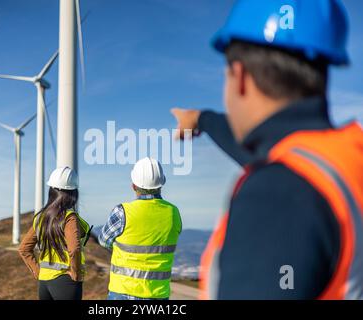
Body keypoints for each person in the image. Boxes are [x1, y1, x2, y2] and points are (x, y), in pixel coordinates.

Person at [172, 0, 363, 299]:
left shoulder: (276, 194)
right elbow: (268, 149)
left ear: (240, 76)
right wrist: (201, 120)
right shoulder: (345, 157)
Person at [98, 157, 182, 300]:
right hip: (158, 295)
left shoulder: (122, 212)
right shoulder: (173, 213)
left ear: (133, 185)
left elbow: (103, 241)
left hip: (123, 293)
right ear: (162, 184)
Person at [18, 167, 91, 300]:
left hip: (44, 284)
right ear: (73, 193)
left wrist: (38, 271)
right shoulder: (69, 218)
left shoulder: (41, 218)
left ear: (51, 190)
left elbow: (24, 249)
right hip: (65, 282)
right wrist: (75, 272)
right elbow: (74, 249)